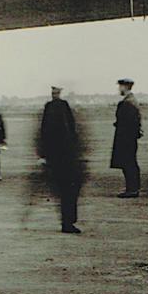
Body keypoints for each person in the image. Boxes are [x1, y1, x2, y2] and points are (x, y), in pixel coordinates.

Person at [37, 86, 85, 233]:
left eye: (55, 93)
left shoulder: (54, 107)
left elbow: (45, 131)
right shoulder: (60, 107)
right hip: (64, 156)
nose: (54, 95)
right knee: (68, 191)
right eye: (53, 93)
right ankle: (68, 222)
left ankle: (68, 221)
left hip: (58, 156)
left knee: (64, 192)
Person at [111, 78, 142, 198]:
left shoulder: (128, 102)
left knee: (128, 163)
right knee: (129, 162)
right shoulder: (131, 101)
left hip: (127, 138)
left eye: (120, 86)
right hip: (129, 137)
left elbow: (129, 122)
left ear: (126, 87)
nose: (119, 89)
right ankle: (132, 188)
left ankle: (132, 190)